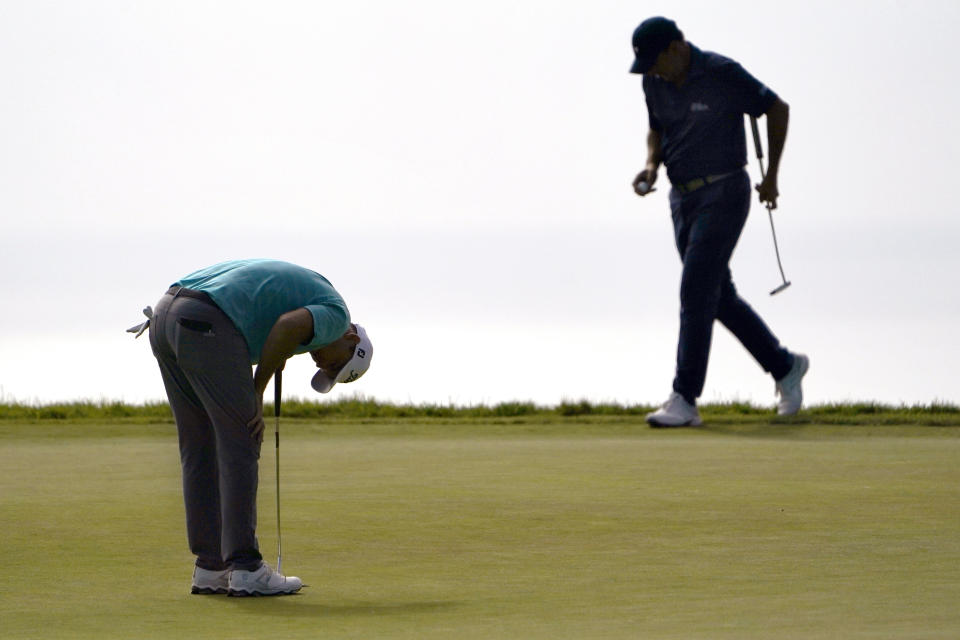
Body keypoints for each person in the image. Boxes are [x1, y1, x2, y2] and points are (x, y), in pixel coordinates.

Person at [141, 258, 372, 595]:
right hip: (206, 320)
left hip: (165, 317)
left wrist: (278, 353)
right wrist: (257, 392)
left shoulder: (316, 296)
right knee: (242, 440)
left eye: (330, 372)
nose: (323, 364)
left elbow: (278, 320)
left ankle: (210, 567)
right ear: (350, 337)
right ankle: (246, 568)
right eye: (336, 362)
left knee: (199, 445)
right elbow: (287, 325)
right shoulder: (337, 315)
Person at [629, 17, 808, 427]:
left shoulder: (720, 72)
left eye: (656, 61)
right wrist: (651, 165)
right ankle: (785, 366)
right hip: (682, 198)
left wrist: (773, 176)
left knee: (695, 288)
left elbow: (777, 108)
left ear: (677, 47)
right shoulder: (653, 82)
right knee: (716, 296)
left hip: (725, 192)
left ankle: (685, 398)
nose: (652, 72)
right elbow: (656, 129)